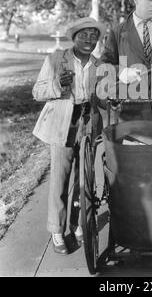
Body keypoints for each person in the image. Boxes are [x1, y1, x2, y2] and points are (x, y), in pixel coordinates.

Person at [32, 17, 103, 255]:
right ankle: (56, 230)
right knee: (60, 180)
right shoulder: (55, 59)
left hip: (88, 124)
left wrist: (114, 95)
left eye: (94, 36)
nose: (89, 40)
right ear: (74, 37)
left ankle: (76, 224)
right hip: (63, 123)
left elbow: (102, 97)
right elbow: (37, 92)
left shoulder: (98, 65)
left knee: (83, 180)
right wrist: (57, 84)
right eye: (84, 35)